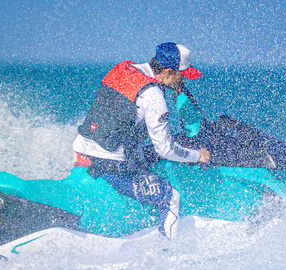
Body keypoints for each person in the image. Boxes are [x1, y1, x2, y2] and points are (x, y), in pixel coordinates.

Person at [73, 42, 211, 239]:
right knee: (171, 197)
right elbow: (165, 149)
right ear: (169, 73)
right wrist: (197, 156)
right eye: (181, 76)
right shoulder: (154, 97)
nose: (182, 81)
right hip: (109, 164)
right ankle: (168, 254)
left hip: (82, 150)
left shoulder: (122, 68)